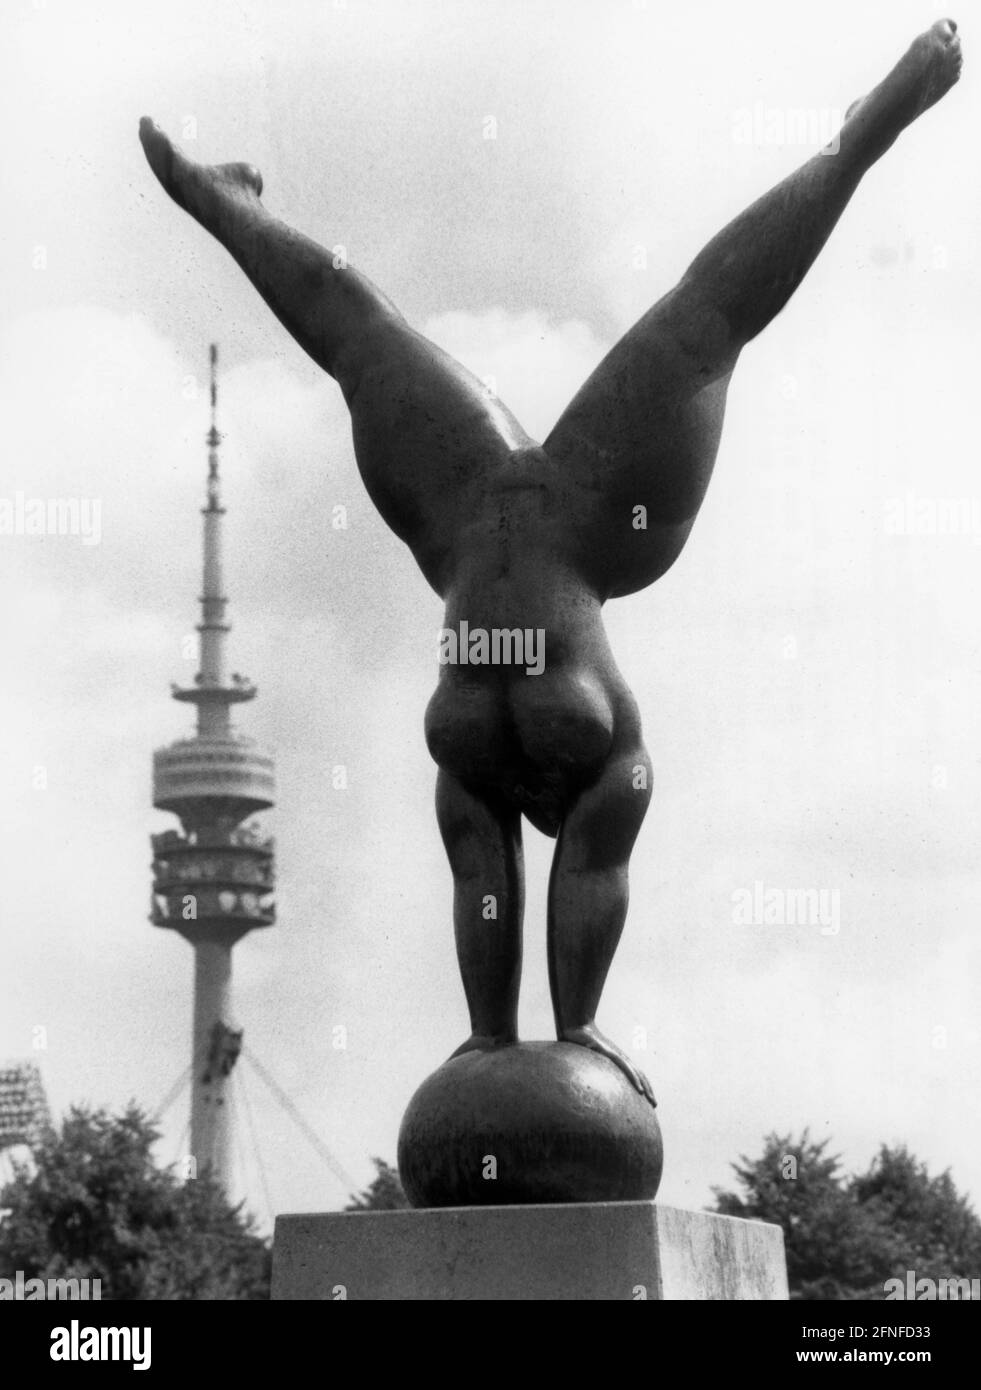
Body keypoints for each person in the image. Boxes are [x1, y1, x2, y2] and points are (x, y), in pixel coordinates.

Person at [140, 20, 961, 1105]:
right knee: (706, 314)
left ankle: (226, 205)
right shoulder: (599, 753)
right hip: (560, 553)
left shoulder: (503, 625)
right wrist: (578, 1038)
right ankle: (859, 144)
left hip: (481, 572)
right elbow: (587, 867)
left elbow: (510, 876)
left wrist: (497, 1051)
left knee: (371, 338)